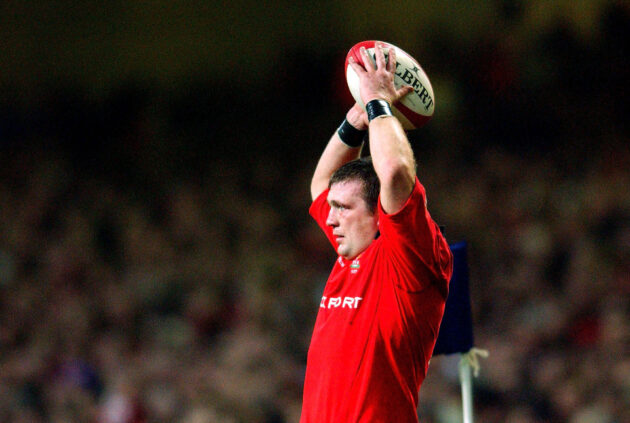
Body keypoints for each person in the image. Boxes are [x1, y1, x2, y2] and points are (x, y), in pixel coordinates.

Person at [300, 42, 454, 422]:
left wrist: (377, 103)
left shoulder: (407, 261)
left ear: (380, 215)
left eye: (343, 209)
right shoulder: (349, 256)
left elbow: (397, 172)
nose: (330, 219)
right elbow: (321, 183)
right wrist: (355, 119)